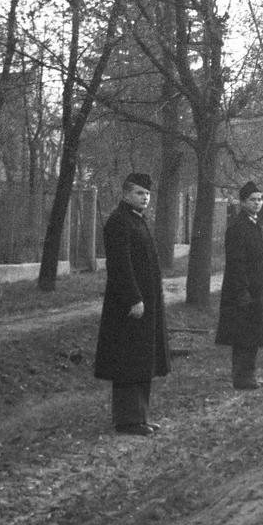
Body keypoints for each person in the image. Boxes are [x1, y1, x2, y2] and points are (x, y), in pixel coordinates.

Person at [94, 172, 169, 436]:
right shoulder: (118, 222)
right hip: (128, 306)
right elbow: (120, 266)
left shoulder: (138, 220)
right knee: (128, 361)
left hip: (145, 303)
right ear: (126, 194)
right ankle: (127, 420)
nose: (145, 197)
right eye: (139, 193)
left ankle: (141, 416)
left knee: (142, 359)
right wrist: (134, 298)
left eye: (147, 194)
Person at [216, 181, 263, 390]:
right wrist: (242, 291)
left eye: (260, 199)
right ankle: (241, 378)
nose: (257, 203)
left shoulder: (254, 225)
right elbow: (236, 263)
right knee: (242, 336)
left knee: (254, 334)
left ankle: (250, 374)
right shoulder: (237, 228)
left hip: (256, 289)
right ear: (242, 202)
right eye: (252, 200)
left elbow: (262, 258)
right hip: (242, 291)